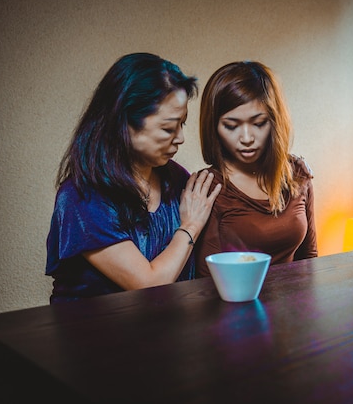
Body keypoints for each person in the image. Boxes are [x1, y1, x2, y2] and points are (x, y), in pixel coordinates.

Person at [45, 53, 221, 303]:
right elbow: (148, 284)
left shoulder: (175, 178)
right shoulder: (81, 197)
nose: (181, 138)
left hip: (166, 333)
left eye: (183, 124)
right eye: (168, 128)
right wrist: (190, 227)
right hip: (91, 336)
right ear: (124, 122)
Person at [194, 61, 317, 277]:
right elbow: (205, 280)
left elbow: (309, 258)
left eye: (259, 123)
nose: (247, 139)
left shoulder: (298, 173)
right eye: (231, 126)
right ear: (213, 127)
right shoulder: (208, 187)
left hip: (295, 305)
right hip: (235, 307)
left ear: (274, 121)